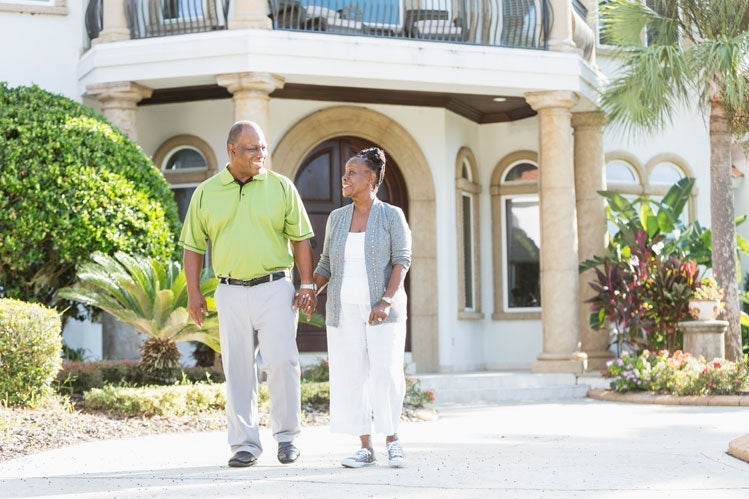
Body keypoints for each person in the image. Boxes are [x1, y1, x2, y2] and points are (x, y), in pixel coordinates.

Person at [181, 120, 317, 468]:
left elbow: (301, 239)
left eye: (262, 147)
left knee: (282, 362)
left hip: (275, 288)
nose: (261, 154)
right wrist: (194, 293)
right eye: (252, 148)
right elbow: (193, 248)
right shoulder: (207, 192)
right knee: (238, 368)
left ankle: (287, 438)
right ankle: (244, 444)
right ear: (232, 151)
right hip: (229, 291)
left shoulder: (281, 187)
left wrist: (306, 283)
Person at [310, 147, 412, 468]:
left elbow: (401, 261)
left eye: (352, 172)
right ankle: (365, 446)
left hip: (383, 311)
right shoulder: (337, 218)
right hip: (344, 311)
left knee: (385, 373)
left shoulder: (391, 215)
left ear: (370, 178)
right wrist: (310, 290)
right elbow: (326, 263)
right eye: (346, 171)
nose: (345, 177)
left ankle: (393, 439)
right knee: (351, 376)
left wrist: (385, 300)